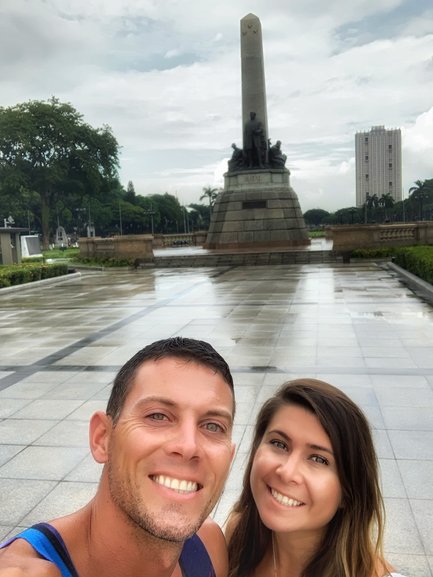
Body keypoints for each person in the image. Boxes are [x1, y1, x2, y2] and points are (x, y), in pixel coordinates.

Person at [0, 337, 236, 577]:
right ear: (102, 438)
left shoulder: (209, 546)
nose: (188, 446)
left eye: (213, 426)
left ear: (230, 457)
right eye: (157, 416)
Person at [225, 378, 407, 577]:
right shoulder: (240, 535)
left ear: (348, 492)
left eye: (319, 459)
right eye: (279, 444)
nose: (287, 472)